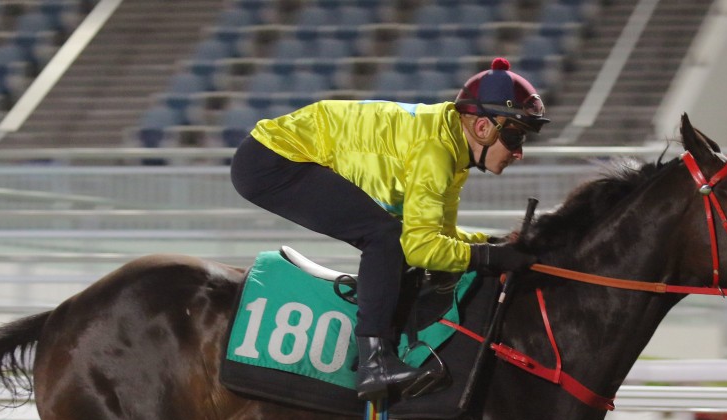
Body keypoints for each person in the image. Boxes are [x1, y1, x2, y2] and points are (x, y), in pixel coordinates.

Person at [230, 57, 548, 400]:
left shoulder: (451, 148)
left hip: (278, 156)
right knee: (384, 236)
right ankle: (374, 363)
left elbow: (439, 238)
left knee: (390, 234)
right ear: (483, 128)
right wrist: (491, 256)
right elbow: (420, 248)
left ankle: (381, 348)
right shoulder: (436, 150)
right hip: (272, 160)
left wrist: (494, 243)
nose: (518, 153)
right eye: (515, 136)